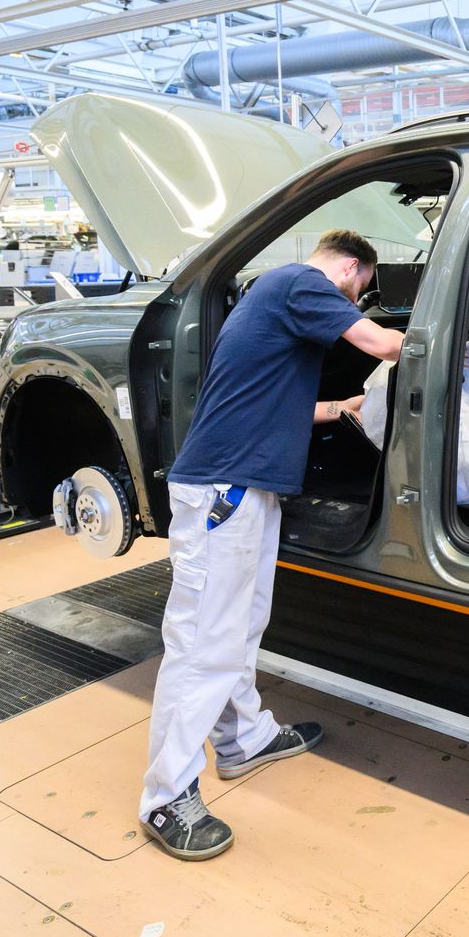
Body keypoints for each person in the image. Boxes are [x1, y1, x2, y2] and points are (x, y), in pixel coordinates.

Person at [138, 228, 405, 860]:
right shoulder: (300, 283)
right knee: (204, 641)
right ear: (348, 267)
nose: (357, 300)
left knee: (242, 622)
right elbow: (381, 343)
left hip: (246, 487)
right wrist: (444, 344)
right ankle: (164, 797)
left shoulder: (274, 296)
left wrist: (344, 406)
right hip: (223, 489)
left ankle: (243, 740)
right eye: (360, 289)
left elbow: (278, 401)